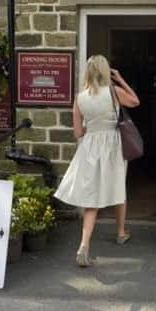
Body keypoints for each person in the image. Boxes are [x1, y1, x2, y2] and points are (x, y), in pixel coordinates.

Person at [54, 55, 140, 267]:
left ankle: (84, 245)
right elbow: (135, 101)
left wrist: (92, 127)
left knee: (91, 199)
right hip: (112, 145)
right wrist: (120, 79)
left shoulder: (80, 98)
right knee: (118, 186)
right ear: (105, 71)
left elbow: (77, 132)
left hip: (90, 146)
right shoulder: (113, 92)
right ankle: (120, 232)